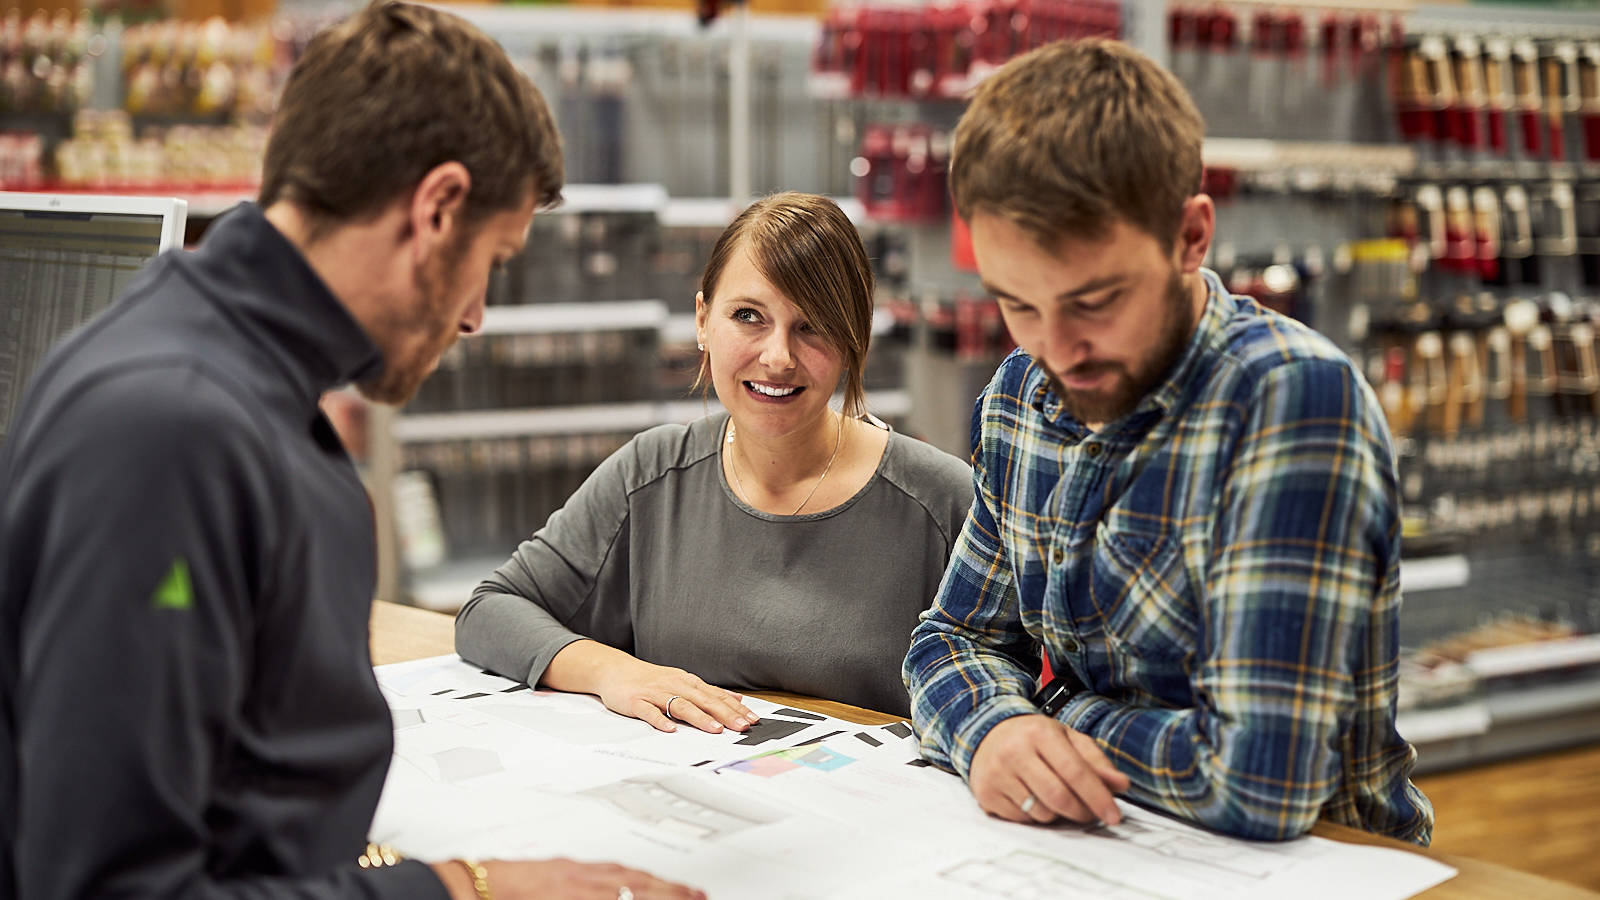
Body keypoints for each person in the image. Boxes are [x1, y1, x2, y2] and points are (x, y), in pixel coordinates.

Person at [0, 4, 701, 899]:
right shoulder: (171, 435)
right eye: (494, 257)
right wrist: (461, 888)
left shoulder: (223, 378)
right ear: (438, 207)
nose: (477, 314)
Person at [902, 38, 1434, 844]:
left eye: (1095, 302)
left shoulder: (1291, 404)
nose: (1055, 349)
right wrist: (994, 732)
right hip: (1097, 851)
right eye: (1018, 304)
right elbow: (951, 641)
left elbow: (1259, 782)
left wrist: (1046, 707)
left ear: (1191, 236)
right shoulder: (1019, 394)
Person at [456, 191, 972, 725]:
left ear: (854, 338)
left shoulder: (943, 499)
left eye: (812, 325)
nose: (777, 357)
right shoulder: (650, 475)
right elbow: (490, 611)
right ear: (703, 320)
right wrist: (615, 671)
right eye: (748, 316)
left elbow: (1010, 681)